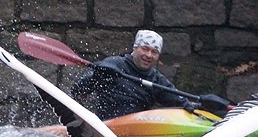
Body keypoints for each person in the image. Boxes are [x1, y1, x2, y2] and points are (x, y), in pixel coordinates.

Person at [70, 29, 199, 121]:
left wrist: (197, 108)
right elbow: (77, 90)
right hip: (104, 128)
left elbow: (179, 100)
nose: (149, 55)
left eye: (154, 52)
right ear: (135, 48)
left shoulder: (157, 80)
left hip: (134, 134)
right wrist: (96, 77)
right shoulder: (114, 64)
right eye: (145, 49)